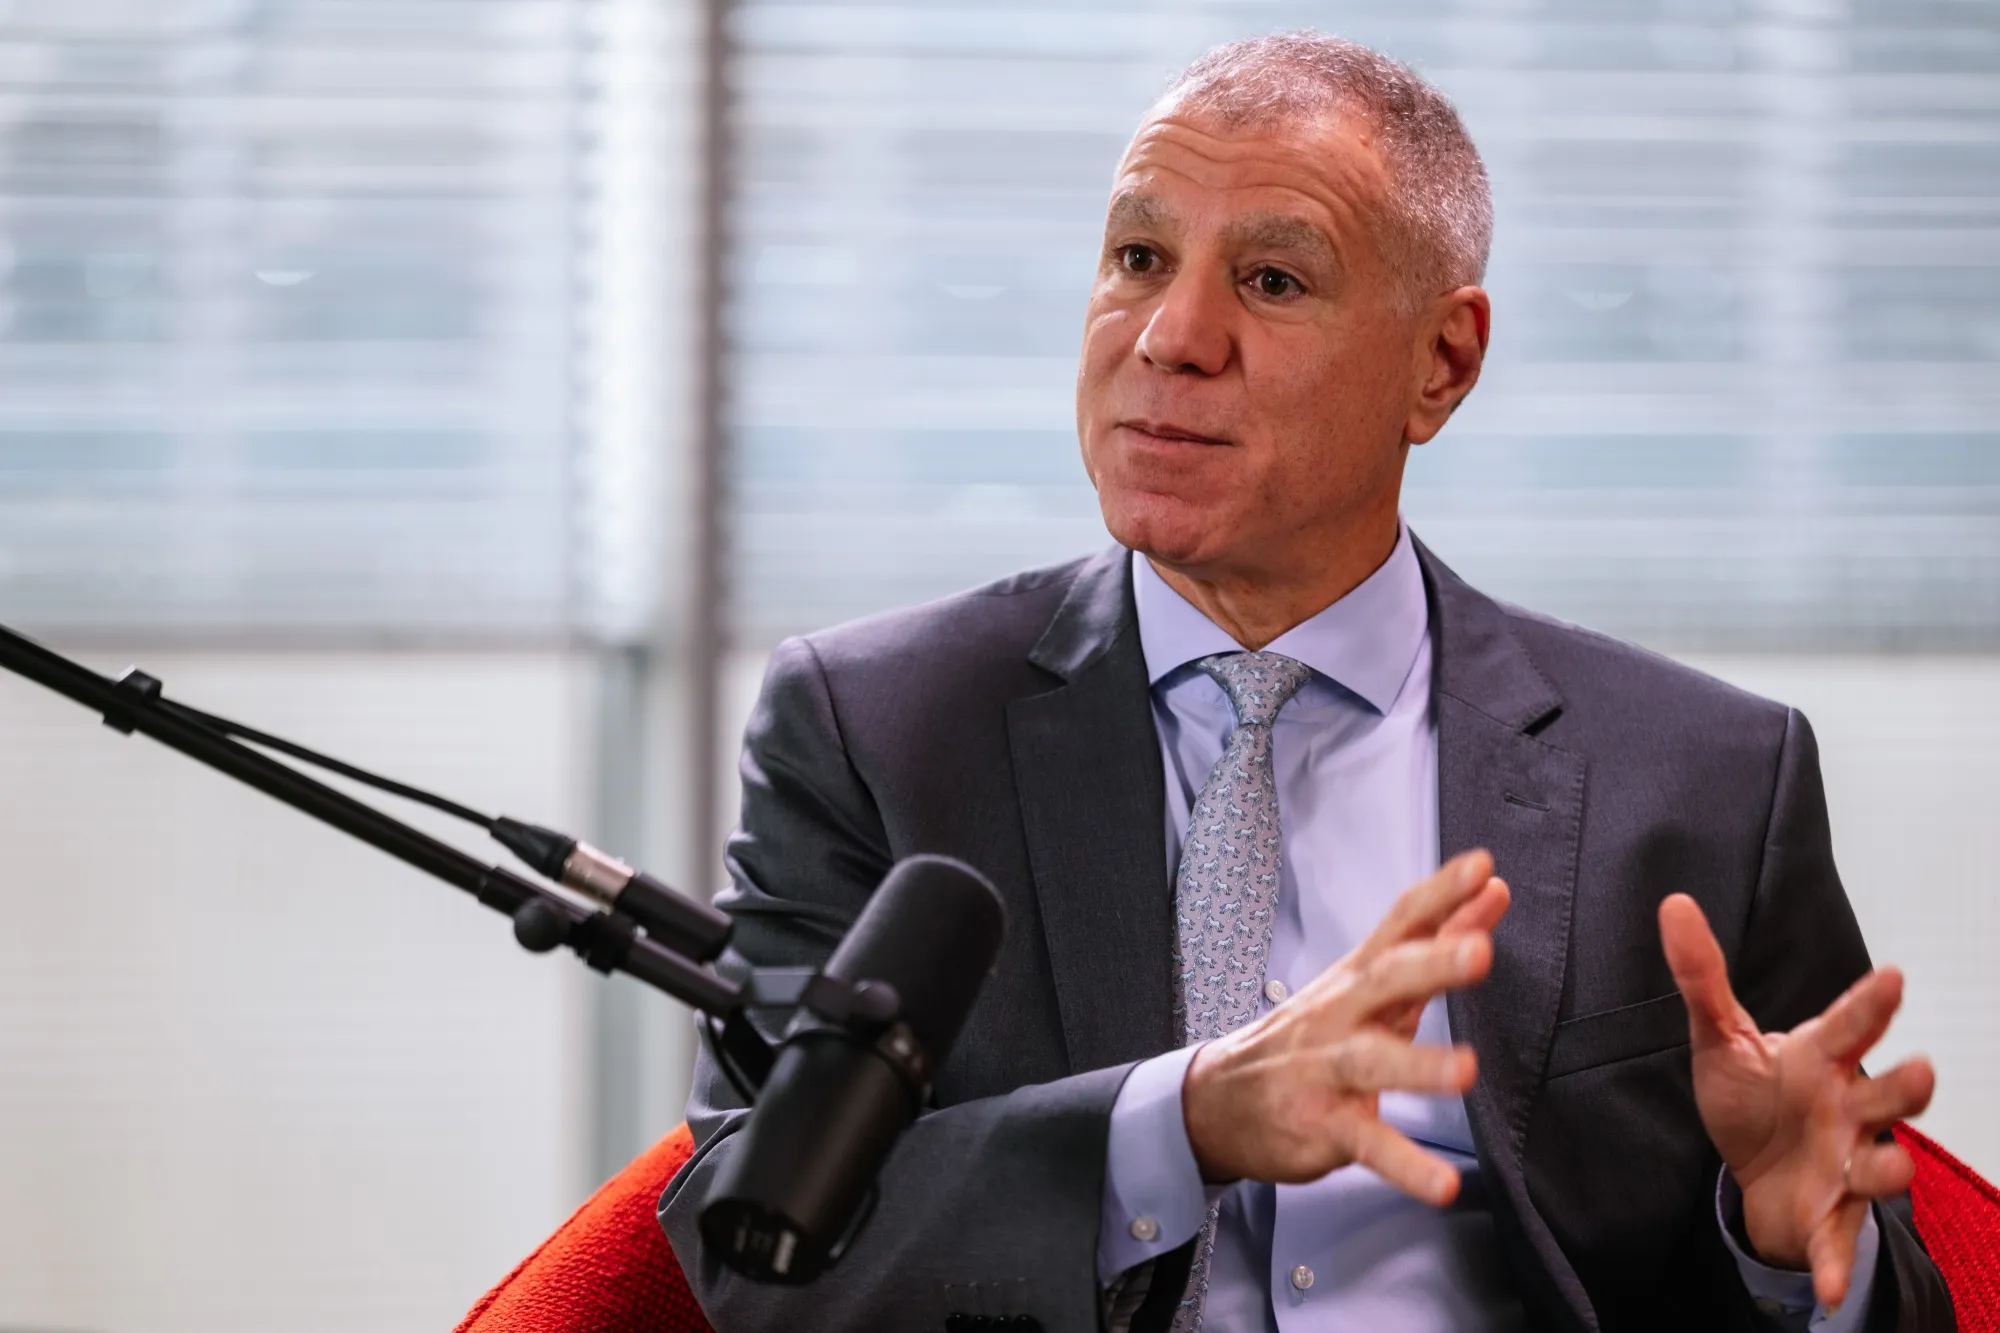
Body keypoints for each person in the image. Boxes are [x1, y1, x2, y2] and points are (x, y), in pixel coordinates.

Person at [659, 31, 1954, 1333]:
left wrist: (1789, 1250)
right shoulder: (875, 728)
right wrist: (1185, 1124)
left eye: (1272, 280)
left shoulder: (1707, 784)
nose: (1171, 337)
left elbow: (1858, 1263)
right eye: (1138, 259)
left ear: (1439, 364)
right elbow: (758, 1244)